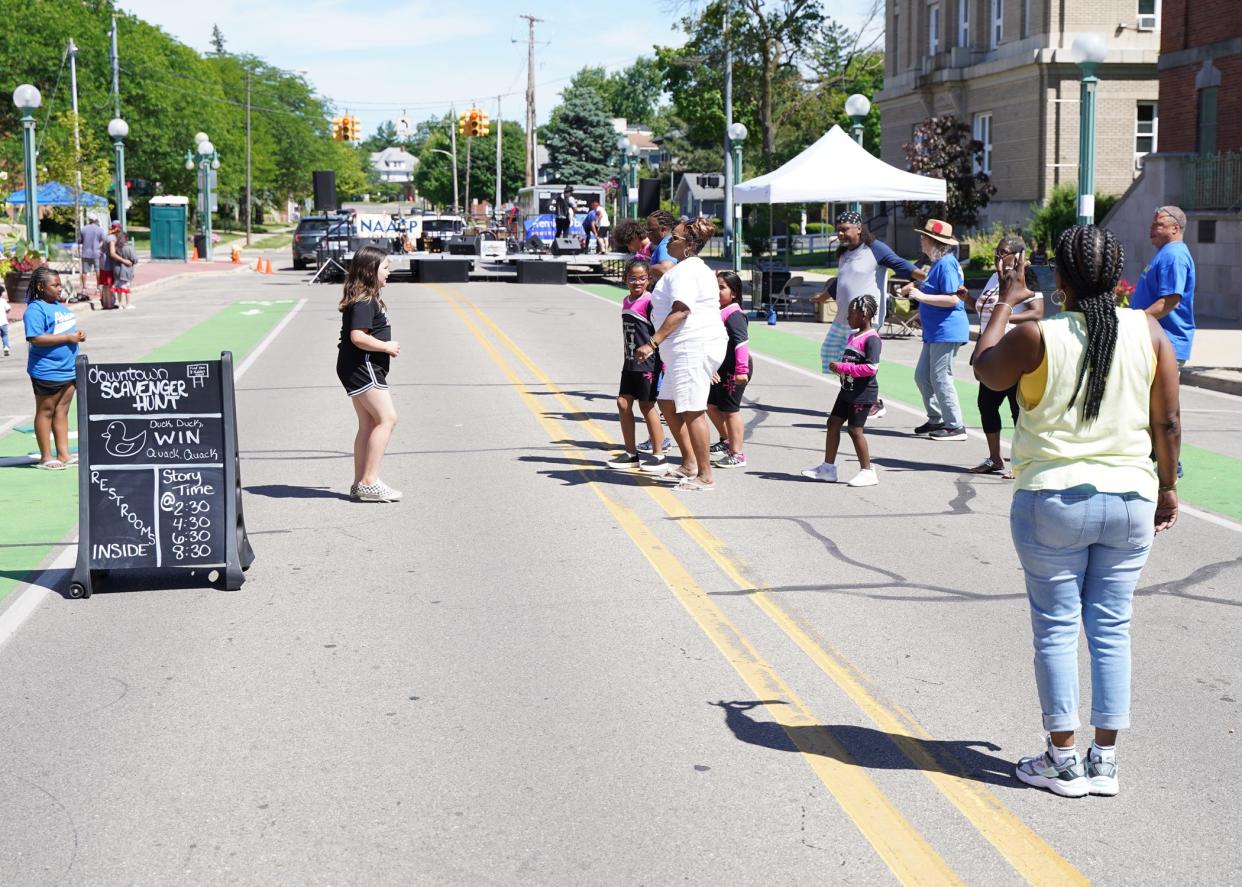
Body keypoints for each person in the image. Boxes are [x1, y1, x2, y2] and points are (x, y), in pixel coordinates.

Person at [974, 225, 1180, 799]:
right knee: (1112, 629)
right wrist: (1167, 485)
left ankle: (1062, 760)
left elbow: (986, 369)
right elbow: (1166, 423)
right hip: (1132, 496)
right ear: (1118, 279)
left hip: (1053, 498)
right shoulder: (1151, 333)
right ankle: (1105, 762)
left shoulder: (1039, 335)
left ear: (1058, 280)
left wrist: (1006, 302)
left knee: (1058, 629)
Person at [634, 218, 727, 491]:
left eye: (672, 237)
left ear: (687, 245)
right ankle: (689, 463)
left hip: (692, 345)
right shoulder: (686, 268)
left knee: (692, 409)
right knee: (667, 402)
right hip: (681, 348)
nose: (667, 241)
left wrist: (652, 343)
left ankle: (705, 476)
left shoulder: (686, 272)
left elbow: (681, 310)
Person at [811, 211, 920, 418]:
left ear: (859, 228)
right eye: (839, 230)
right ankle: (857, 397)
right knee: (832, 355)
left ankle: (873, 402)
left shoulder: (875, 249)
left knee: (860, 362)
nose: (840, 234)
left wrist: (927, 275)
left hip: (865, 319)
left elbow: (901, 264)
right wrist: (824, 296)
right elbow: (841, 280)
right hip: (844, 317)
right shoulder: (844, 253)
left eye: (845, 230)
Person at [966, 234, 1043, 477]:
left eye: (1004, 252)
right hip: (990, 349)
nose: (998, 255)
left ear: (1018, 255)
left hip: (1013, 349)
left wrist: (1005, 316)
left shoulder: (1026, 276)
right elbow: (984, 310)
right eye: (998, 251)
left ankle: (1020, 462)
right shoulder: (994, 277)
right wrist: (966, 298)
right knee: (986, 404)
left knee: (1016, 407)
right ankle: (995, 458)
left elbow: (1037, 312)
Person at [1131, 205, 1195, 478]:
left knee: (1160, 407)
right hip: (1157, 340)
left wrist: (1134, 321)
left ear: (1174, 228)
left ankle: (1168, 462)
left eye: (1157, 224)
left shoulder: (1174, 256)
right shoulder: (1166, 254)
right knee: (1156, 404)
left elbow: (1170, 301)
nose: (1151, 228)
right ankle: (1163, 458)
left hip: (1164, 342)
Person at [336, 244, 402, 503]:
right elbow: (357, 336)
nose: (389, 272)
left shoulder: (365, 297)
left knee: (369, 423)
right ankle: (369, 481)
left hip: (355, 366)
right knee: (387, 419)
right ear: (370, 270)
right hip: (363, 366)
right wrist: (386, 346)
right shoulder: (364, 300)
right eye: (385, 268)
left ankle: (359, 483)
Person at [801, 295, 882, 486]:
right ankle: (828, 468)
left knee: (855, 430)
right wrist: (840, 367)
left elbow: (871, 368)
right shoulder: (853, 336)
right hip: (847, 391)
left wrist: (843, 368)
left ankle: (867, 471)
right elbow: (852, 361)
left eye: (851, 314)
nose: (847, 318)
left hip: (862, 393)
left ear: (863, 314)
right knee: (833, 423)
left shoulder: (872, 339)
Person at [901, 219, 968, 440]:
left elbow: (953, 300)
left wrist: (922, 297)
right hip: (935, 330)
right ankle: (936, 418)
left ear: (933, 241)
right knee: (923, 376)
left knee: (940, 377)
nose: (920, 239)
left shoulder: (946, 263)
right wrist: (922, 312)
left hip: (946, 330)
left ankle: (955, 425)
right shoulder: (938, 263)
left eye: (924, 237)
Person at [606, 258, 666, 470]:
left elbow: (662, 331)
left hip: (648, 362)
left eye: (642, 278)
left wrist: (660, 357)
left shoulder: (651, 302)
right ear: (625, 280)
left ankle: (659, 454)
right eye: (633, 278)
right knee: (623, 403)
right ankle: (631, 453)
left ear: (649, 279)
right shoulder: (626, 301)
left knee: (647, 405)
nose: (637, 283)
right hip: (630, 361)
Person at [24, 267, 86, 470]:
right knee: (46, 411)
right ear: (41, 287)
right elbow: (36, 338)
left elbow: (63, 329)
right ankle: (46, 456)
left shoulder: (59, 306)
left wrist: (77, 335)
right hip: (48, 370)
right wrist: (68, 338)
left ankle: (64, 453)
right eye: (55, 285)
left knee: (62, 411)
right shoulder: (35, 309)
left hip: (69, 368)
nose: (60, 289)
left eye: (60, 285)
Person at [708, 271, 752, 469]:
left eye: (722, 287)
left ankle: (737, 453)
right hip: (721, 369)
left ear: (733, 293)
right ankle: (726, 440)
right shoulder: (718, 310)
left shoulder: (734, 314)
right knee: (710, 405)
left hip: (735, 369)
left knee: (731, 411)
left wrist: (741, 370)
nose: (717, 291)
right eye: (715, 286)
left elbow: (741, 343)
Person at [645, 210, 679, 283]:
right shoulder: (669, 242)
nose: (648, 235)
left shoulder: (666, 243)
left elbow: (665, 269)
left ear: (663, 230)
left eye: (651, 231)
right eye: (646, 231)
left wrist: (644, 267)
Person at [110, 230, 138, 309]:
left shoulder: (115, 248)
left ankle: (119, 304)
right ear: (126, 238)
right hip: (126, 271)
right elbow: (135, 259)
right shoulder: (129, 248)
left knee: (119, 287)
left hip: (117, 270)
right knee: (127, 287)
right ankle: (128, 304)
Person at [79, 215, 105, 300]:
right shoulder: (100, 229)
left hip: (86, 252)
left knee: (84, 272)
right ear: (96, 220)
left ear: (89, 220)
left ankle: (84, 288)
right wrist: (98, 246)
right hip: (96, 253)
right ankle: (98, 288)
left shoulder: (83, 229)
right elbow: (103, 241)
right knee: (98, 271)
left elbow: (80, 241)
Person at [97, 222, 120, 310]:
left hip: (102, 263)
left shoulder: (106, 235)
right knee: (109, 284)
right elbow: (112, 253)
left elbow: (100, 247)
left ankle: (106, 304)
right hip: (108, 264)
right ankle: (110, 304)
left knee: (105, 286)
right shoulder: (112, 238)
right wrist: (123, 260)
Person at [1, 288, 11, 356]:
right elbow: (8, 308)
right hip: (3, 322)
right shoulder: (2, 300)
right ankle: (6, 347)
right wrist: (6, 312)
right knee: (5, 335)